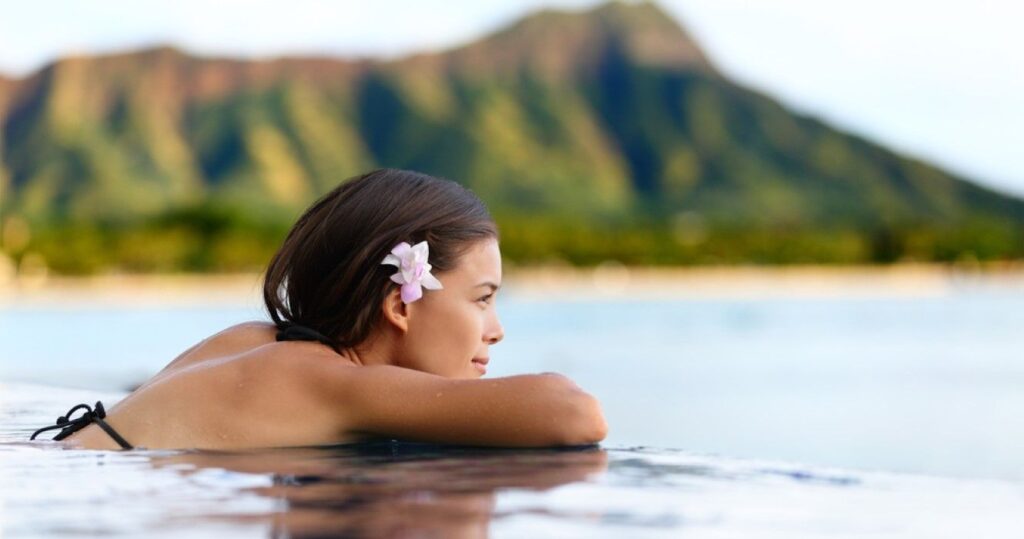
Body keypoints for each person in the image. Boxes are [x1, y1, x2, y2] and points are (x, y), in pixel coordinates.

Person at [33, 169, 608, 450]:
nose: (497, 331)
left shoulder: (258, 340)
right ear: (398, 304)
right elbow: (575, 414)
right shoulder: (322, 379)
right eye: (482, 300)